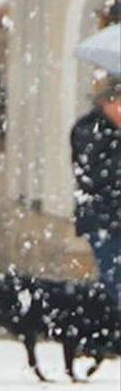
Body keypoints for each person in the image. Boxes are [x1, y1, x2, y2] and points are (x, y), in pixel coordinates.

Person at [71, 77, 121, 307]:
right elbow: (97, 176)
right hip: (104, 220)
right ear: (105, 103)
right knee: (115, 282)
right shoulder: (88, 130)